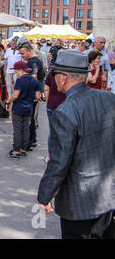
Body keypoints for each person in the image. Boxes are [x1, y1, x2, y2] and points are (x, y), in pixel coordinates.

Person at [37, 50, 115, 239]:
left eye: (54, 75)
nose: (54, 80)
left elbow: (59, 161)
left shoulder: (65, 111)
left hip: (79, 202)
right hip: (109, 196)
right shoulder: (109, 98)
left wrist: (45, 196)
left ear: (63, 78)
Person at [5, 61, 41, 158]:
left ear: (21, 70)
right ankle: (23, 149)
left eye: (16, 72)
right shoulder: (35, 81)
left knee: (17, 128)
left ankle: (16, 150)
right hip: (29, 107)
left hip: (18, 107)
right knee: (26, 128)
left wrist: (8, 102)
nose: (16, 74)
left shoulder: (20, 81)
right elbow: (38, 96)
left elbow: (15, 95)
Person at [18, 38, 45, 148]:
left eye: (23, 53)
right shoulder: (37, 59)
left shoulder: (33, 61)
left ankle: (28, 141)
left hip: (31, 93)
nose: (22, 56)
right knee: (31, 118)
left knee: (28, 119)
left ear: (29, 50)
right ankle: (32, 140)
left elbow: (33, 78)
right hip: (35, 92)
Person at [43, 49, 67, 163]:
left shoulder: (52, 72)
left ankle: (51, 155)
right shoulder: (68, 73)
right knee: (64, 132)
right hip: (64, 105)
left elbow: (46, 89)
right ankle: (61, 155)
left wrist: (47, 102)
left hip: (52, 105)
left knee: (53, 132)